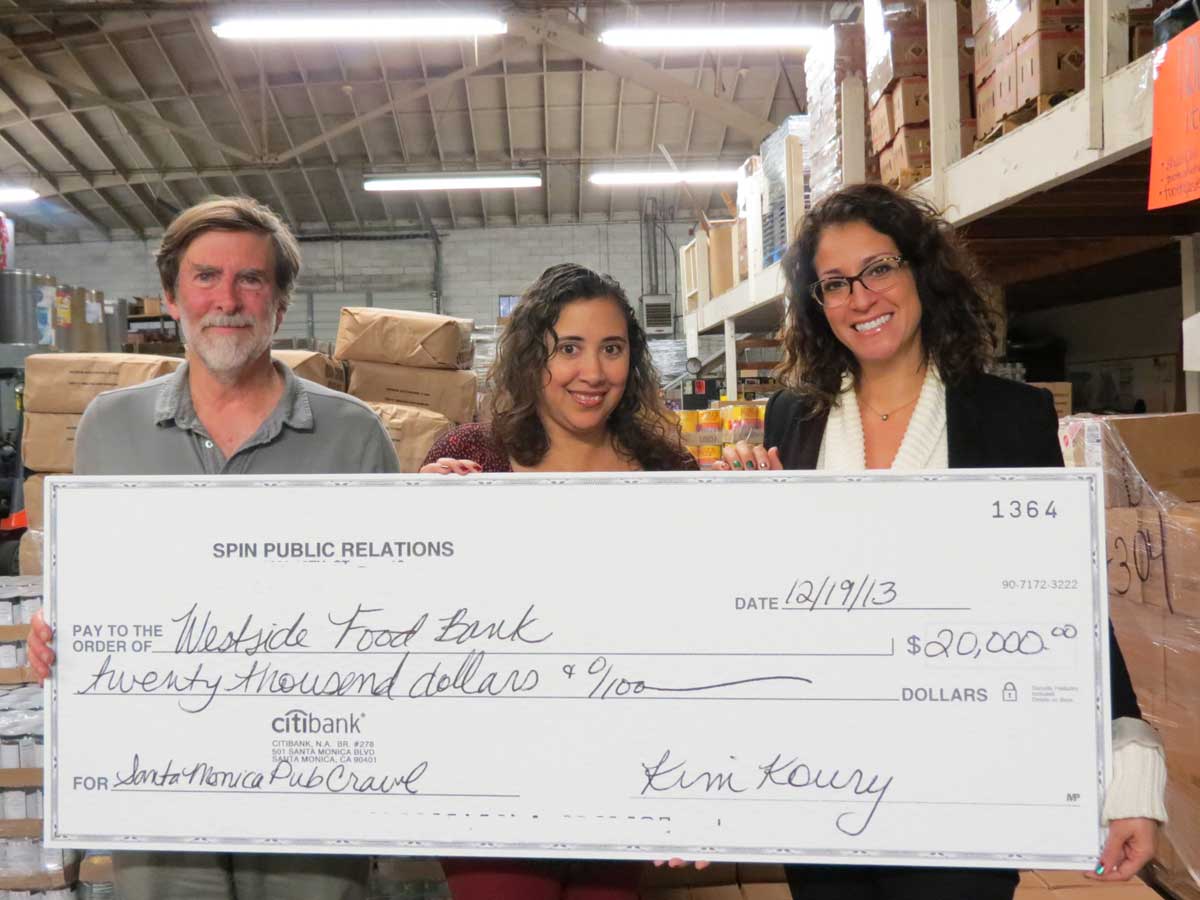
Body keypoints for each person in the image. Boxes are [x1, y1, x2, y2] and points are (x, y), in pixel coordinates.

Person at [720, 183, 1167, 900]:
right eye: (834, 283)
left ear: (921, 271)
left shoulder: (1009, 418)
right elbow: (775, 598)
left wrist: (1130, 764)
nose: (861, 298)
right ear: (816, 304)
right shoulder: (792, 419)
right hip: (822, 774)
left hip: (967, 776)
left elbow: (1066, 603)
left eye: (879, 269)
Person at [26, 196, 399, 900]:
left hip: (311, 792)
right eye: (205, 277)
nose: (226, 299)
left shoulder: (354, 435)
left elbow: (398, 612)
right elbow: (94, 591)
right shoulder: (109, 428)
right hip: (159, 791)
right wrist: (58, 634)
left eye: (251, 280)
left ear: (280, 304)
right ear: (171, 296)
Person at [422, 262, 695, 900]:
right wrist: (419, 522)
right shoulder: (474, 457)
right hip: (492, 778)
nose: (593, 372)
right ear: (530, 355)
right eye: (568, 348)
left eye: (612, 348)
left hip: (621, 769)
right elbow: (422, 621)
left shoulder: (667, 470)